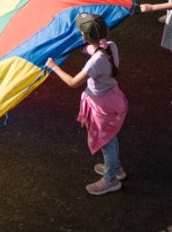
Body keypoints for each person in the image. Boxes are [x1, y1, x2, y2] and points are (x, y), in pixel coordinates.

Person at [45, 14, 129, 195]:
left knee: (107, 141)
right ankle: (115, 168)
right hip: (112, 98)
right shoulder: (110, 46)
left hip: (102, 107)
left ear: (84, 37)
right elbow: (96, 51)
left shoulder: (95, 62)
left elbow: (73, 82)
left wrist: (54, 67)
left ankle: (110, 179)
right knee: (110, 139)